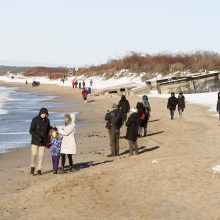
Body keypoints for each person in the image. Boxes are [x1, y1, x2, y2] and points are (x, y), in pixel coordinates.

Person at [29, 108, 51, 175]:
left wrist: (48, 141)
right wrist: (38, 138)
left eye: (45, 114)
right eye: (43, 113)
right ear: (40, 113)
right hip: (35, 140)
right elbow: (31, 130)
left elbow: (48, 130)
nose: (44, 115)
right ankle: (32, 167)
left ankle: (39, 170)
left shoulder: (47, 120)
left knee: (41, 156)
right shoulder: (35, 119)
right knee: (34, 154)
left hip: (43, 141)